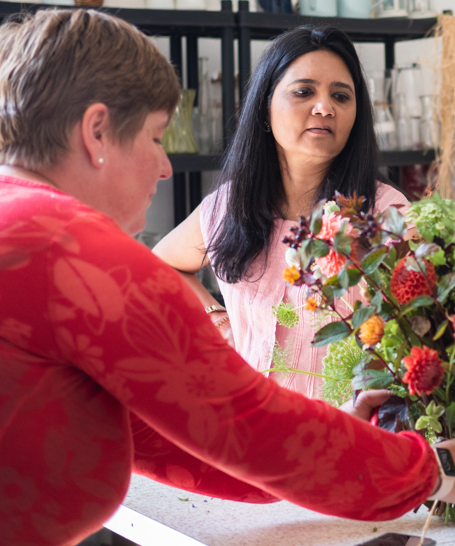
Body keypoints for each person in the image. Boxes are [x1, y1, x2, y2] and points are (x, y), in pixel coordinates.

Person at [0, 10, 455, 546]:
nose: (165, 165)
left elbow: (167, 435)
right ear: (97, 132)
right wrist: (437, 471)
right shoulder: (85, 259)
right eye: (153, 137)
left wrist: (340, 458)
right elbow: (245, 429)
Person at [155, 26, 407, 398]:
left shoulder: (385, 214)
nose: (325, 107)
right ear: (265, 104)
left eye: (341, 96)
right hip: (248, 436)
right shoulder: (229, 206)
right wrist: (218, 321)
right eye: (304, 92)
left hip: (354, 440)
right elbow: (160, 266)